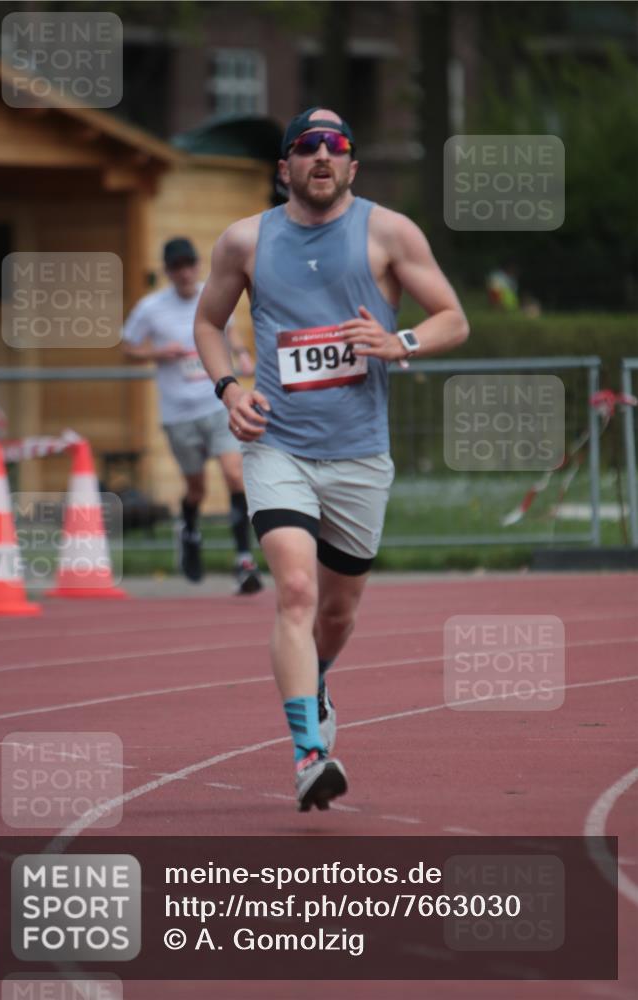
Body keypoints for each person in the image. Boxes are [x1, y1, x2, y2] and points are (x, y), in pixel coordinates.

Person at [194, 108, 469, 810]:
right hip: (277, 443)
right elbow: (208, 321)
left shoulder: (387, 231)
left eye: (335, 146)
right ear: (282, 167)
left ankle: (315, 677)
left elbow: (452, 318)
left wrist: (398, 342)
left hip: (357, 456)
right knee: (293, 589)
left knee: (338, 613)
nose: (321, 155)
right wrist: (229, 390)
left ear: (352, 165)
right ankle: (309, 751)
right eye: (305, 147)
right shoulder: (244, 240)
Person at [122, 237, 262, 594]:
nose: (185, 272)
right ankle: (190, 532)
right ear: (168, 272)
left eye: (190, 264)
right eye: (177, 267)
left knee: (234, 475)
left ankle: (244, 560)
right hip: (178, 412)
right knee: (196, 488)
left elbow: (228, 331)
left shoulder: (213, 293)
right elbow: (128, 346)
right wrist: (156, 352)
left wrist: (243, 355)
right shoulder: (151, 308)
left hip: (217, 403)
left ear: (198, 265)